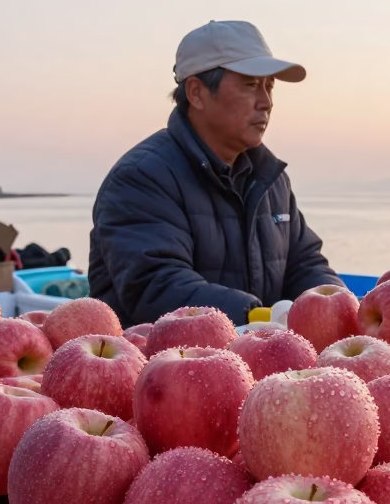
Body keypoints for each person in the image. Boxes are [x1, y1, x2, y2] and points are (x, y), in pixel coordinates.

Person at [89, 20, 343, 325]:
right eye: (251, 85)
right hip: (163, 354)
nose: (266, 102)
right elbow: (157, 287)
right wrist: (258, 317)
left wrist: (338, 305)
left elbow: (305, 264)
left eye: (269, 86)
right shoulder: (141, 177)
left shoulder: (271, 180)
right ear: (196, 93)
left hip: (256, 349)